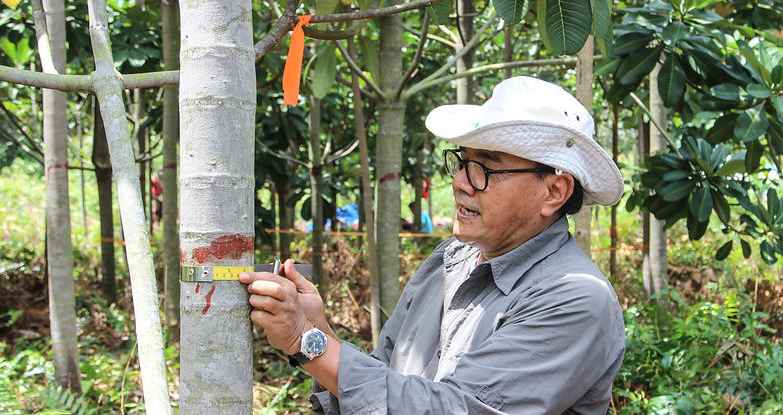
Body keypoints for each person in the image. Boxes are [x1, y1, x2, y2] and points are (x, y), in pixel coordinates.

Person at [240, 76, 625, 414]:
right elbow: (384, 383)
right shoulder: (450, 259)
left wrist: (304, 341)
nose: (460, 181)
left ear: (554, 191)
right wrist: (318, 329)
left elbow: (454, 408)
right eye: (462, 161)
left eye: (486, 167)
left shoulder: (575, 298)